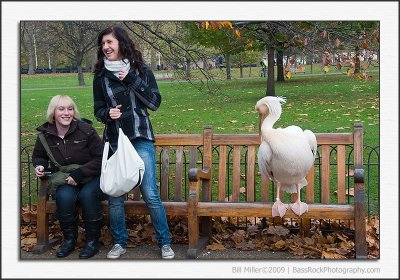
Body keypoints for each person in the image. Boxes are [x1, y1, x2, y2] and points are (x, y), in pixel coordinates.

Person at [92, 26, 175, 259]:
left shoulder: (141, 69)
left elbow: (155, 103)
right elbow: (97, 109)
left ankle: (165, 242)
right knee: (115, 195)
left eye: (110, 42)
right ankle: (119, 242)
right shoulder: (100, 77)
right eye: (103, 44)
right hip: (116, 139)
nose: (106, 47)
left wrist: (131, 79)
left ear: (121, 43)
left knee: (150, 192)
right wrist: (108, 113)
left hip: (140, 136)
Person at [32, 95, 106, 259]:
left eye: (70, 109)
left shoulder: (86, 130)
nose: (67, 113)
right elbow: (39, 156)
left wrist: (79, 174)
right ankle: (69, 241)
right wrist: (40, 166)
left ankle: (92, 242)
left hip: (92, 176)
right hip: (66, 178)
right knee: (64, 196)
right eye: (61, 109)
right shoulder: (45, 135)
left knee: (88, 195)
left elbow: (101, 158)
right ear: (53, 112)